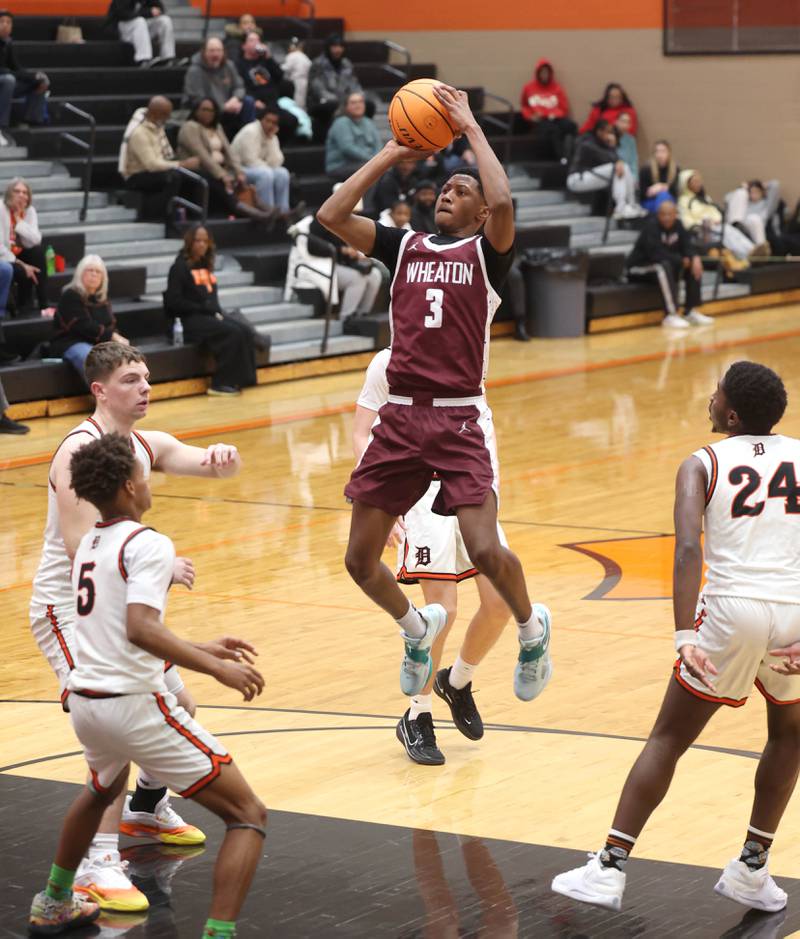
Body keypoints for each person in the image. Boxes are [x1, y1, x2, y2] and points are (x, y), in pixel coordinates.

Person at [316, 83, 552, 703]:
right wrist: (393, 153)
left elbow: (501, 198)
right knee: (361, 561)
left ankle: (532, 630)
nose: (450, 193)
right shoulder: (405, 246)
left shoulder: (488, 254)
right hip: (400, 419)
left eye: (462, 190)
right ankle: (415, 630)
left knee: (484, 548)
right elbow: (332, 216)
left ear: (480, 215)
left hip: (457, 420)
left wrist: (469, 126)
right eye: (444, 188)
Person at [552, 361, 800, 916]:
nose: (708, 401)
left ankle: (610, 868)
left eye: (715, 395)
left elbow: (688, 550)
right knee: (790, 734)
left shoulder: (700, 464)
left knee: (668, 738)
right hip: (795, 615)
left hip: (732, 611)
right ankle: (751, 867)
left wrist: (685, 632)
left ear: (731, 414)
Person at [29, 340, 244, 913]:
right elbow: (82, 548)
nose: (144, 387)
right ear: (99, 390)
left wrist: (218, 458)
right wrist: (156, 563)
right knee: (114, 735)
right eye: (130, 379)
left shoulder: (140, 444)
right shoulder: (77, 450)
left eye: (146, 377)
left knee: (181, 706)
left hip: (113, 605)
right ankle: (97, 865)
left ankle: (144, 812)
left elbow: (186, 456)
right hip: (68, 613)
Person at [353, 348, 511, 764]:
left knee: (500, 603)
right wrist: (383, 504)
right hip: (421, 496)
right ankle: (416, 716)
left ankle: (457, 682)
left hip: (470, 487)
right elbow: (361, 433)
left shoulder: (467, 354)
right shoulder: (387, 363)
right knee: (443, 610)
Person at [164, 225, 258, 396]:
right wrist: (202, 307)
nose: (201, 244)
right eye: (197, 240)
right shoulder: (178, 268)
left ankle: (244, 378)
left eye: (205, 241)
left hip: (207, 316)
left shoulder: (205, 265)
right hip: (188, 320)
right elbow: (173, 302)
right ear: (189, 243)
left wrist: (215, 311)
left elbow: (211, 298)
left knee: (244, 330)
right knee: (232, 332)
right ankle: (220, 383)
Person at [177, 98, 276, 223]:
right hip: (198, 171)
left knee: (242, 181)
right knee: (221, 181)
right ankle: (257, 214)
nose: (208, 113)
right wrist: (222, 175)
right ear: (196, 111)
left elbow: (230, 152)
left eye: (212, 110)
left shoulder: (217, 127)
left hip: (219, 168)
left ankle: (272, 211)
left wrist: (239, 172)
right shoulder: (189, 127)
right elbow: (202, 155)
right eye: (205, 109)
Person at [626, 200, 711, 329]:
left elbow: (687, 246)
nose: (666, 218)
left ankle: (690, 311)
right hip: (638, 268)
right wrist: (681, 260)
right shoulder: (651, 227)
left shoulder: (678, 225)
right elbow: (655, 255)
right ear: (658, 215)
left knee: (694, 265)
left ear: (675, 214)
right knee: (662, 267)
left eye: (669, 214)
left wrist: (694, 257)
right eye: (663, 214)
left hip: (666, 264)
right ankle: (670, 315)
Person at [119, 96, 201, 221]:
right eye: (166, 114)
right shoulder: (139, 133)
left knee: (194, 175)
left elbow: (165, 158)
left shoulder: (157, 127)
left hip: (153, 171)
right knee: (171, 177)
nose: (168, 118)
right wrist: (181, 164)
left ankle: (193, 217)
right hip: (136, 175)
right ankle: (159, 217)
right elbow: (151, 165)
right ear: (156, 113)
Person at [50, 256, 129, 382]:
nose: (94, 275)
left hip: (97, 343)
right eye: (90, 270)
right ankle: (103, 398)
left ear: (103, 278)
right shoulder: (70, 295)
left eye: (98, 272)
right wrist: (112, 336)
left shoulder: (101, 299)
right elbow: (81, 326)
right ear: (80, 273)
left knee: (124, 354)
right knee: (90, 357)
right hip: (71, 342)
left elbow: (110, 324)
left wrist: (116, 339)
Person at [677, 169, 766, 261]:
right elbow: (686, 221)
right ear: (686, 184)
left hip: (717, 225)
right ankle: (748, 256)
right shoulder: (684, 201)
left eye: (699, 181)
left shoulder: (705, 198)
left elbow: (715, 211)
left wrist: (717, 219)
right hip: (703, 231)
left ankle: (754, 250)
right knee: (726, 234)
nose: (698, 183)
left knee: (733, 232)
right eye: (695, 181)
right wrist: (703, 223)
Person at [567, 119, 643, 220]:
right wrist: (612, 146)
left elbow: (616, 162)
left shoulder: (602, 143)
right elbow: (611, 159)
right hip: (576, 179)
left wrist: (612, 149)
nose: (610, 135)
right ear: (599, 132)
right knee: (617, 168)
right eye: (608, 132)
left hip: (591, 176)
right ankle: (621, 208)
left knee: (623, 167)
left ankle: (632, 205)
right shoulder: (587, 143)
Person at [183, 37, 256, 138]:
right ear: (204, 52)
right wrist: (223, 107)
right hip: (208, 111)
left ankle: (248, 138)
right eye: (212, 51)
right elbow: (197, 99)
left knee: (248, 101)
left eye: (218, 50)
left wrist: (235, 99)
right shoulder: (194, 71)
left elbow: (239, 86)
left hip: (230, 106)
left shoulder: (229, 65)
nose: (215, 54)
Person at [1, 177, 53, 316]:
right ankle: (22, 307)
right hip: (4, 255)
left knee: (38, 253)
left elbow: (35, 240)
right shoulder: (1, 208)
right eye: (17, 191)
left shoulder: (30, 211)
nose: (21, 195)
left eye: (25, 192)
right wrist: (22, 264)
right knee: (23, 271)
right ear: (9, 194)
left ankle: (44, 303)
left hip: (18, 252)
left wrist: (18, 220)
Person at [235, 31, 297, 142]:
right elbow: (239, 86)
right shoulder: (239, 64)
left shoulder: (265, 60)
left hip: (273, 104)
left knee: (292, 120)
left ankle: (276, 147)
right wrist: (254, 100)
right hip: (256, 105)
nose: (256, 43)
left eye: (258, 40)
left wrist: (269, 57)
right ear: (243, 46)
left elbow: (280, 76)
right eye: (252, 40)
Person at [0, 10, 49, 144]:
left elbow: (16, 68)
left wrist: (35, 77)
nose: (5, 25)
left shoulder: (8, 43)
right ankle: (1, 127)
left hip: (6, 82)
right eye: (2, 21)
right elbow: (5, 71)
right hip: (4, 80)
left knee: (42, 80)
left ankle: (31, 120)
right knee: (9, 80)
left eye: (8, 22)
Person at [230, 109, 291, 214]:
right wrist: (268, 167)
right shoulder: (250, 131)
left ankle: (283, 212)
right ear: (261, 120)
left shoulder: (272, 136)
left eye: (274, 122)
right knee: (266, 174)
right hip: (237, 169)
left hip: (257, 169)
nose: (270, 125)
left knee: (282, 173)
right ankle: (268, 211)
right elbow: (250, 160)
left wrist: (270, 139)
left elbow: (277, 162)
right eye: (268, 121)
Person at [307, 33, 364, 141]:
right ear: (328, 48)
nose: (338, 50)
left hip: (343, 101)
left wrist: (357, 99)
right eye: (334, 46)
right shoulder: (318, 63)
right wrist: (343, 103)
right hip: (321, 103)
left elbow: (354, 85)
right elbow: (318, 90)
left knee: (367, 105)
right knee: (333, 105)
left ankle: (362, 139)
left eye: (340, 46)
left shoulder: (346, 63)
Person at [519, 58, 576, 162]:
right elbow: (524, 106)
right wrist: (530, 116)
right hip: (540, 120)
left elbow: (564, 108)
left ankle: (572, 155)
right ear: (538, 73)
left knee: (571, 126)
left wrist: (554, 114)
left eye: (547, 72)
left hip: (556, 118)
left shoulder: (557, 87)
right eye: (542, 72)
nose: (544, 75)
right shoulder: (528, 88)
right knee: (554, 131)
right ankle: (562, 158)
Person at [325, 92, 382, 182]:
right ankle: (365, 197)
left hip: (366, 162)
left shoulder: (368, 122)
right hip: (341, 166)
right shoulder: (341, 122)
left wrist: (379, 159)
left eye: (360, 102)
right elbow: (347, 148)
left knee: (385, 170)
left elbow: (378, 144)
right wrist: (372, 160)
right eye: (353, 103)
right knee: (371, 171)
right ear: (346, 106)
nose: (358, 105)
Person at [105, 0, 175, 66]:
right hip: (121, 29)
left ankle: (167, 58)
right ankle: (144, 59)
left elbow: (160, 8)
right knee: (140, 21)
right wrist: (149, 12)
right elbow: (123, 14)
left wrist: (156, 11)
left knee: (165, 20)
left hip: (140, 31)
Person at [726, 180, 781, 251]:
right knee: (740, 193)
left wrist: (764, 185)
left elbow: (775, 185)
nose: (754, 195)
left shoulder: (766, 205)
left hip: (756, 232)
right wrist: (742, 188)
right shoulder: (745, 202)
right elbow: (727, 198)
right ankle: (735, 227)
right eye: (752, 192)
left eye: (757, 192)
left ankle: (762, 248)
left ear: (762, 192)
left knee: (753, 218)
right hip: (740, 227)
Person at [639, 139, 679, 214]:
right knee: (663, 197)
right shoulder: (646, 169)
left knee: (664, 196)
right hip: (650, 201)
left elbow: (676, 192)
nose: (660, 154)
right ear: (654, 154)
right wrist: (652, 192)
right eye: (657, 151)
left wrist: (661, 187)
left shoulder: (675, 169)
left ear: (669, 153)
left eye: (663, 151)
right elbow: (642, 195)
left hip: (670, 200)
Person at [282, 36, 312, 110]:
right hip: (305, 81)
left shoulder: (292, 55)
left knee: (295, 101)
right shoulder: (305, 57)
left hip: (295, 81)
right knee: (302, 102)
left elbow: (284, 69)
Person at [614, 112, 638, 179]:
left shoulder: (631, 140)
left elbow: (633, 160)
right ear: (616, 122)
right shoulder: (610, 136)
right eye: (623, 121)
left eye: (628, 122)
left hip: (627, 172)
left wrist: (635, 178)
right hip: (614, 170)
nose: (625, 125)